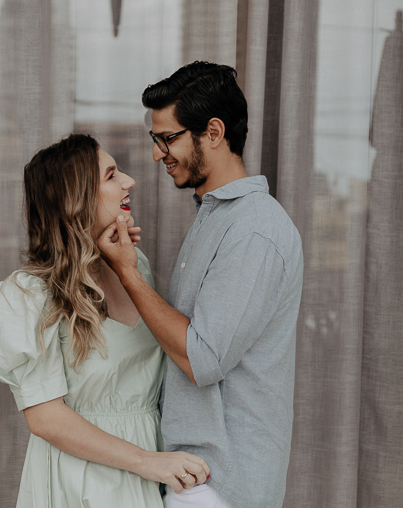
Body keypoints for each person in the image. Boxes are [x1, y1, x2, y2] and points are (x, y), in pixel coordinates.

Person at [98, 62, 304, 508]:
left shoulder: (254, 229)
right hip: (197, 477)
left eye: (167, 138)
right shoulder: (218, 217)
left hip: (221, 484)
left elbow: (202, 358)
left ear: (213, 132)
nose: (158, 154)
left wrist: (127, 272)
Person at [0, 134, 210, 508]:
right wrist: (147, 462)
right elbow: (46, 419)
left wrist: (124, 266)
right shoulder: (26, 295)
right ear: (76, 199)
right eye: (111, 175)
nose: (129, 181)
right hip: (81, 480)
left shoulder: (134, 267)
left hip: (150, 471)